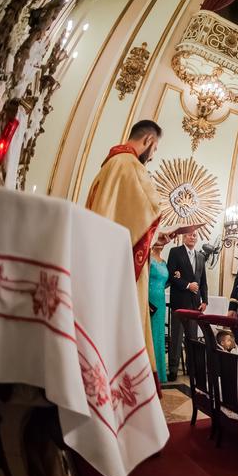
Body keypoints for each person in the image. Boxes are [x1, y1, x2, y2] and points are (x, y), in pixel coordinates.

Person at [85, 119, 163, 383]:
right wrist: (159, 231)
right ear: (149, 140)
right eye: (155, 148)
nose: (152, 155)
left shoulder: (108, 166)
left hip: (100, 256)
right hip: (121, 264)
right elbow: (151, 209)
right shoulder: (130, 166)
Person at [166, 231, 208, 382]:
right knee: (176, 338)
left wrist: (205, 301)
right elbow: (171, 275)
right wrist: (188, 285)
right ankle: (172, 369)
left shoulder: (201, 256)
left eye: (195, 235)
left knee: (192, 338)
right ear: (184, 237)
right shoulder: (175, 252)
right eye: (189, 235)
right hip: (179, 302)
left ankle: (192, 369)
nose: (192, 237)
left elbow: (203, 281)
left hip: (195, 304)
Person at [148, 233, 170, 383]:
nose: (161, 244)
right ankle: (148, 370)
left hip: (161, 300)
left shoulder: (163, 262)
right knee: (149, 332)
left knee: (159, 333)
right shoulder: (148, 259)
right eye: (159, 240)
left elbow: (165, 282)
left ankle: (159, 372)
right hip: (149, 299)